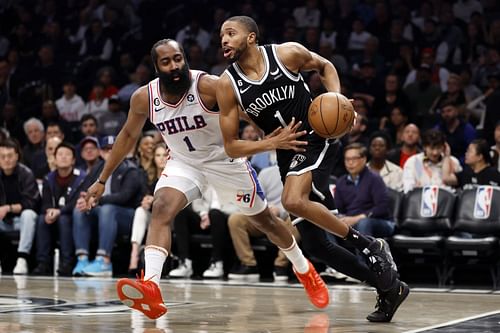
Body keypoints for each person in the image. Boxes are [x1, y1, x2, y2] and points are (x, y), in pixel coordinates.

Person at [83, 39, 328, 320]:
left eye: (178, 58)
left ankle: (303, 269)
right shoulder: (144, 98)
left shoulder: (209, 86)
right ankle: (151, 285)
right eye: (166, 62)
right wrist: (102, 179)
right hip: (184, 163)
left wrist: (275, 136)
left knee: (266, 222)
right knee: (161, 207)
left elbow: (250, 112)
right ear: (156, 67)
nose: (175, 66)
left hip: (224, 159)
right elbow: (127, 137)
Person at [217, 16, 408, 322]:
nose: (224, 39)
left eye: (231, 33)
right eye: (221, 35)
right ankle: (389, 287)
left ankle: (370, 245)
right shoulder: (228, 84)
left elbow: (326, 67)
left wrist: (338, 99)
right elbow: (231, 145)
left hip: (317, 137)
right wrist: (270, 143)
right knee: (317, 246)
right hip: (284, 153)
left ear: (251, 37)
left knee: (293, 200)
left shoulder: (285, 54)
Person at [33, 142, 86, 276]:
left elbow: (78, 202)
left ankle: (66, 263)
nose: (63, 157)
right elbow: (45, 201)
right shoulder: (48, 178)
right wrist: (48, 211)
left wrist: (60, 211)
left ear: (73, 159)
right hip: (55, 215)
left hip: (72, 216)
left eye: (67, 154)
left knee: (63, 219)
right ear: (54, 159)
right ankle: (43, 263)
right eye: (60, 154)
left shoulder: (82, 177)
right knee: (41, 219)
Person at [335, 143, 395, 238]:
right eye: (347, 159)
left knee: (363, 223)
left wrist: (357, 218)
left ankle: (366, 253)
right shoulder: (341, 182)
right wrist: (341, 218)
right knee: (327, 224)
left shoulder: (375, 179)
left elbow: (382, 208)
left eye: (354, 159)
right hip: (351, 221)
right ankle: (335, 253)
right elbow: (338, 208)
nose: (350, 163)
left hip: (379, 221)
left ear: (364, 159)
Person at [0, 139, 40, 275]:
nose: (6, 160)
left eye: (10, 156)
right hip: (3, 221)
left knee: (28, 214)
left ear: (17, 156)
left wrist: (8, 208)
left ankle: (22, 259)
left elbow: (31, 203)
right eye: (2, 156)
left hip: (22, 222)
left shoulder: (26, 174)